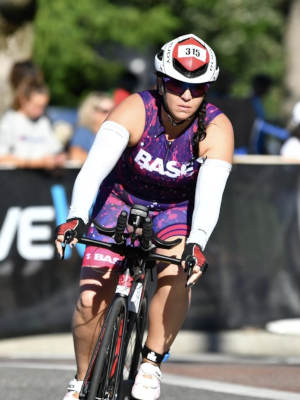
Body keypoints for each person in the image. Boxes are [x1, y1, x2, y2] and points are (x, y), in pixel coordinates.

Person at [55, 33, 234, 400]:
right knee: (91, 298)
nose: (187, 95)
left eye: (198, 88)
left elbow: (211, 196)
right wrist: (76, 217)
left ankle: (151, 361)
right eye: (177, 84)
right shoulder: (136, 109)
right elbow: (92, 171)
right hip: (120, 199)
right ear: (160, 82)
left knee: (177, 270)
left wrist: (197, 242)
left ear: (207, 90)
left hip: (175, 211)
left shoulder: (217, 129)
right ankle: (80, 381)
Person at [0, 77, 65, 169]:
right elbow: (2, 157)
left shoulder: (43, 122)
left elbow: (56, 149)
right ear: (23, 100)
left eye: (43, 106)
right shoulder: (9, 121)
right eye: (36, 106)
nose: (40, 111)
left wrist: (58, 158)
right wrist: (34, 163)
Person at [68, 92, 114, 163]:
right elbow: (75, 156)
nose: (111, 114)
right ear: (92, 112)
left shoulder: (114, 132)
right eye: (105, 111)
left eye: (113, 110)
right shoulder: (83, 131)